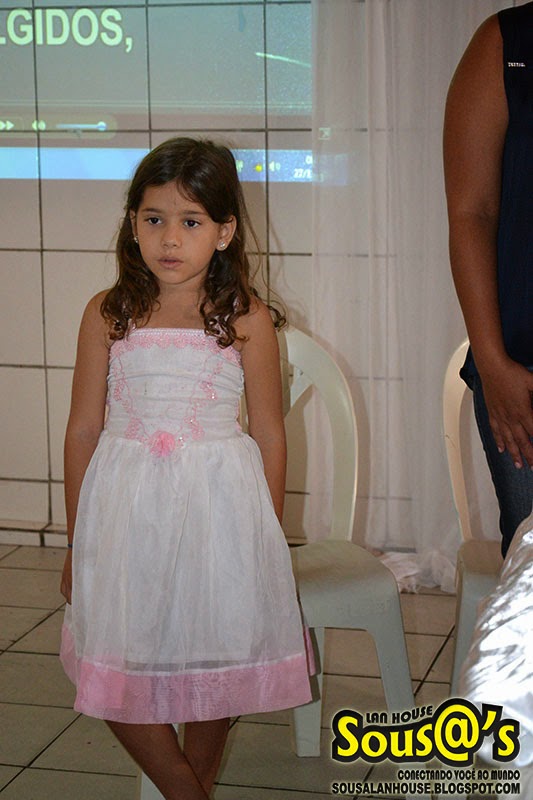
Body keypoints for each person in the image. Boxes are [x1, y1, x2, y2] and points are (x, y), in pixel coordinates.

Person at [58, 137, 312, 800]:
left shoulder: (245, 319)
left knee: (213, 661)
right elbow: (83, 429)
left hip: (217, 513)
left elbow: (270, 432)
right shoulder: (107, 313)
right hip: (124, 513)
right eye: (153, 218)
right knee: (113, 666)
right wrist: (76, 540)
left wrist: (265, 539)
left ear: (224, 232)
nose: (169, 238)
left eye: (190, 221)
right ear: (132, 223)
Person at [443, 2, 533, 557]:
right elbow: (470, 215)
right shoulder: (506, 43)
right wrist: (494, 365)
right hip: (522, 372)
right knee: (530, 573)